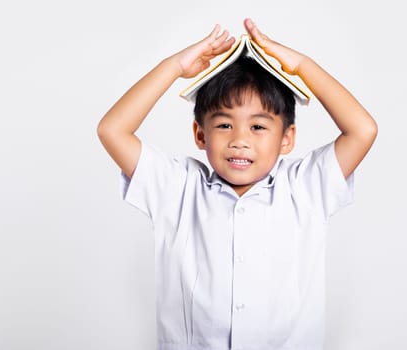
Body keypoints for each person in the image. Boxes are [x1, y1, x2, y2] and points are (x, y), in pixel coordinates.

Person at [97, 18, 377, 350]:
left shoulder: (305, 188)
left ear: (287, 139)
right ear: (200, 134)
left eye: (258, 127)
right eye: (225, 125)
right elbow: (112, 130)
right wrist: (173, 67)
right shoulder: (177, 188)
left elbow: (363, 130)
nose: (240, 140)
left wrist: (302, 66)